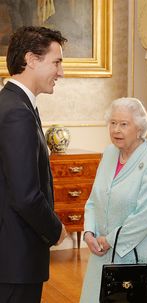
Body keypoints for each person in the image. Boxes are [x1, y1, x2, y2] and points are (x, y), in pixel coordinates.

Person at [0, 26, 68, 303]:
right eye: (57, 62)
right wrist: (56, 230)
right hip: (15, 258)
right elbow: (26, 195)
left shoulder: (12, 104)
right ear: (31, 59)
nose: (61, 72)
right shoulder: (17, 112)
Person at [80, 97, 147, 303]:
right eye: (112, 123)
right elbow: (94, 199)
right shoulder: (109, 153)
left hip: (136, 257)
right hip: (101, 254)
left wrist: (110, 240)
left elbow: (145, 216)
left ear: (139, 128)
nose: (116, 130)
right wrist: (89, 233)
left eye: (123, 124)